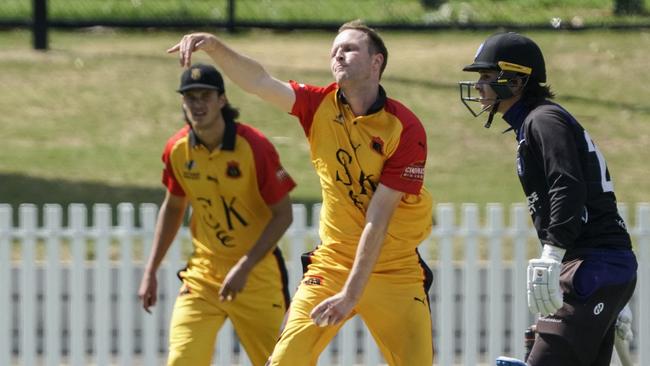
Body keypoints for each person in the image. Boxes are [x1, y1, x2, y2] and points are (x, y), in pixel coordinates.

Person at [167, 19, 435, 366]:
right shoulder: (318, 105)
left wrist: (350, 295)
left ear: (376, 62)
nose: (338, 54)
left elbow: (378, 220)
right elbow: (261, 82)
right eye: (334, 50)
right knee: (284, 361)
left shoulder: (405, 128)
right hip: (334, 262)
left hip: (395, 268)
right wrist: (216, 47)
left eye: (349, 48)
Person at [459, 32, 637, 366]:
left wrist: (553, 255)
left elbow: (567, 186)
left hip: (592, 266)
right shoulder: (535, 121)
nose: (480, 86)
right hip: (595, 267)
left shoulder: (542, 120)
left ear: (516, 79)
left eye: (487, 76)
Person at [137, 63, 296, 366]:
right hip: (204, 274)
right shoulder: (177, 149)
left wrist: (245, 266)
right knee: (183, 359)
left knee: (280, 362)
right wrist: (150, 271)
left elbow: (283, 215)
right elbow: (173, 207)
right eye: (190, 97)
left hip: (258, 275)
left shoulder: (255, 147)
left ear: (222, 100)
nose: (197, 104)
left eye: (205, 96)